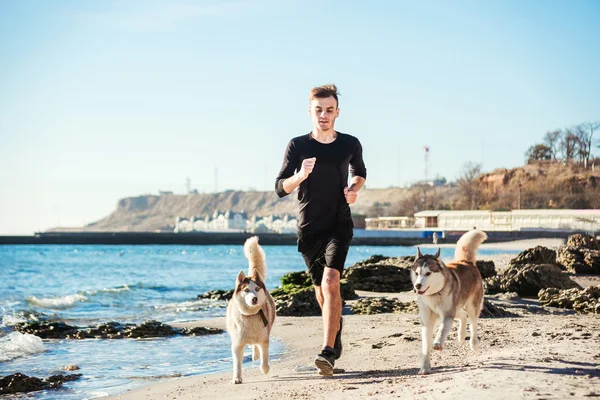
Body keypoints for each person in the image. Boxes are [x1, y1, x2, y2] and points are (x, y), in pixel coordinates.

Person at [274, 84, 367, 376]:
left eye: (329, 110)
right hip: (309, 229)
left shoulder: (349, 143)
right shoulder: (297, 145)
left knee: (330, 281)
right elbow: (279, 187)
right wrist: (300, 175)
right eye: (318, 110)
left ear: (337, 112)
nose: (324, 115)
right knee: (321, 292)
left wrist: (353, 190)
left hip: (339, 223)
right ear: (310, 112)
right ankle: (335, 335)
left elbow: (360, 172)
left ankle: (326, 352)